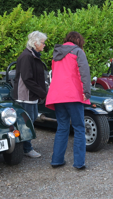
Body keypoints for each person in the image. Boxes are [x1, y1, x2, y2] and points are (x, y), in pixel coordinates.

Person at [45, 31, 91, 170]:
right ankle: (79, 163)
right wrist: (86, 92)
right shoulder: (78, 52)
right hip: (73, 94)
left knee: (62, 127)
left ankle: (56, 160)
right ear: (78, 40)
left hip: (57, 95)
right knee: (79, 128)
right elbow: (85, 73)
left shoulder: (56, 54)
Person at [11, 31, 48, 158]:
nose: (44, 45)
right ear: (36, 43)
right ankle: (26, 148)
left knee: (30, 121)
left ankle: (25, 147)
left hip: (30, 96)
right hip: (25, 96)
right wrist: (42, 93)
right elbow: (27, 79)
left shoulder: (32, 55)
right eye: (43, 43)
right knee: (27, 123)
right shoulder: (27, 56)